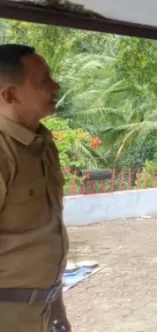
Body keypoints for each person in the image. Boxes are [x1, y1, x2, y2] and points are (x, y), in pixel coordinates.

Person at [0, 44, 70, 332]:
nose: (56, 86)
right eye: (43, 80)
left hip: (39, 311)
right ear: (9, 94)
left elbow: (47, 235)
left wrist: (56, 307)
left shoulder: (41, 143)